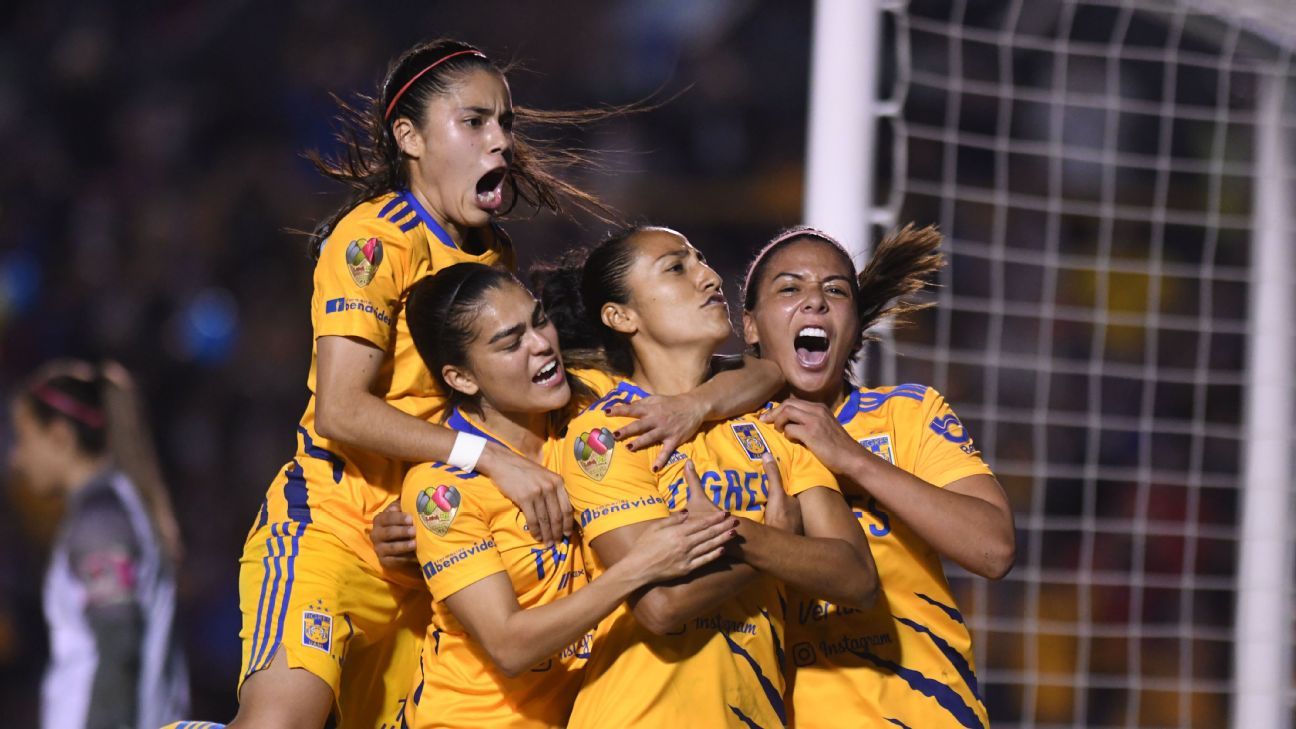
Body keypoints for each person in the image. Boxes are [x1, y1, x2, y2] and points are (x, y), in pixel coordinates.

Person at [537, 225, 880, 728]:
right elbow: (660, 604)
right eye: (677, 267)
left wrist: (737, 537)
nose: (709, 276)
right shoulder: (606, 434)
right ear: (620, 316)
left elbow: (855, 576)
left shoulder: (772, 422)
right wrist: (774, 540)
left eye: (701, 260)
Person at [396, 263, 739, 728]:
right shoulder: (441, 490)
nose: (542, 345)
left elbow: (757, 371)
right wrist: (640, 566)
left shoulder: (587, 396)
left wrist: (694, 405)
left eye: (539, 320)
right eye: (510, 342)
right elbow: (509, 646)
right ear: (462, 379)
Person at [742, 225, 1016, 728]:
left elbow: (993, 550)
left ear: (853, 320)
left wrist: (851, 458)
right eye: (790, 288)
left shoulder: (906, 415)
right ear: (751, 326)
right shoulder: (725, 438)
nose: (815, 303)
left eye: (835, 290)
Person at [8, 360, 188, 729]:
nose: (17, 460)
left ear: (60, 436)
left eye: (24, 439)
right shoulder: (112, 509)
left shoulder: (101, 523)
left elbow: (118, 648)